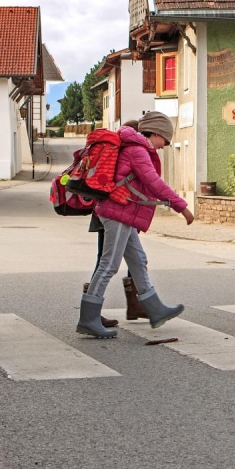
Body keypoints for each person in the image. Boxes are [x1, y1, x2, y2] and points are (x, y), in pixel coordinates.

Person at [79, 112, 193, 338]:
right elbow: (154, 183)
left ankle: (155, 309)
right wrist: (181, 206)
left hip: (123, 211)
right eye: (165, 140)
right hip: (118, 211)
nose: (165, 146)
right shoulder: (137, 150)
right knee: (109, 264)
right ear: (156, 132)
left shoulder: (136, 148)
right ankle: (88, 318)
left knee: (139, 260)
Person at [84, 119, 140, 326]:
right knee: (107, 262)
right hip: (115, 211)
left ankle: (135, 304)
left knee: (125, 258)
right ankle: (92, 311)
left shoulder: (113, 151)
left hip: (103, 211)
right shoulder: (125, 153)